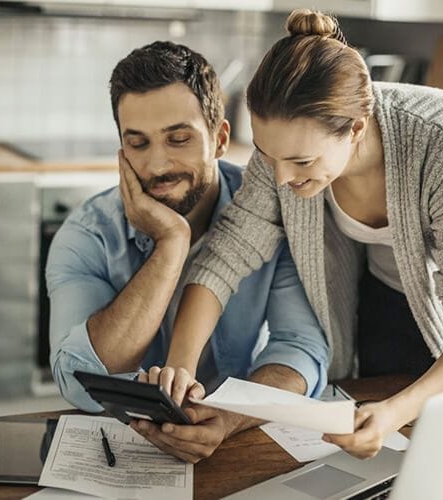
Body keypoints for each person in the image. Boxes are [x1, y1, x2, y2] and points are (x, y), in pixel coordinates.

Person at [158, 9, 443, 459]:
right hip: (385, 300)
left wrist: (392, 412)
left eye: (301, 162)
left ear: (356, 129)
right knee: (388, 462)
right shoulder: (285, 151)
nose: (281, 178)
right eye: (268, 155)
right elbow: (227, 254)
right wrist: (180, 368)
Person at [45, 40, 329, 463]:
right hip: (128, 450)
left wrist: (230, 416)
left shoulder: (273, 216)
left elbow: (300, 350)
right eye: (138, 144)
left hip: (239, 438)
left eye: (178, 139)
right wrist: (171, 244)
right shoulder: (88, 235)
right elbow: (78, 380)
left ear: (219, 139)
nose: (158, 165)